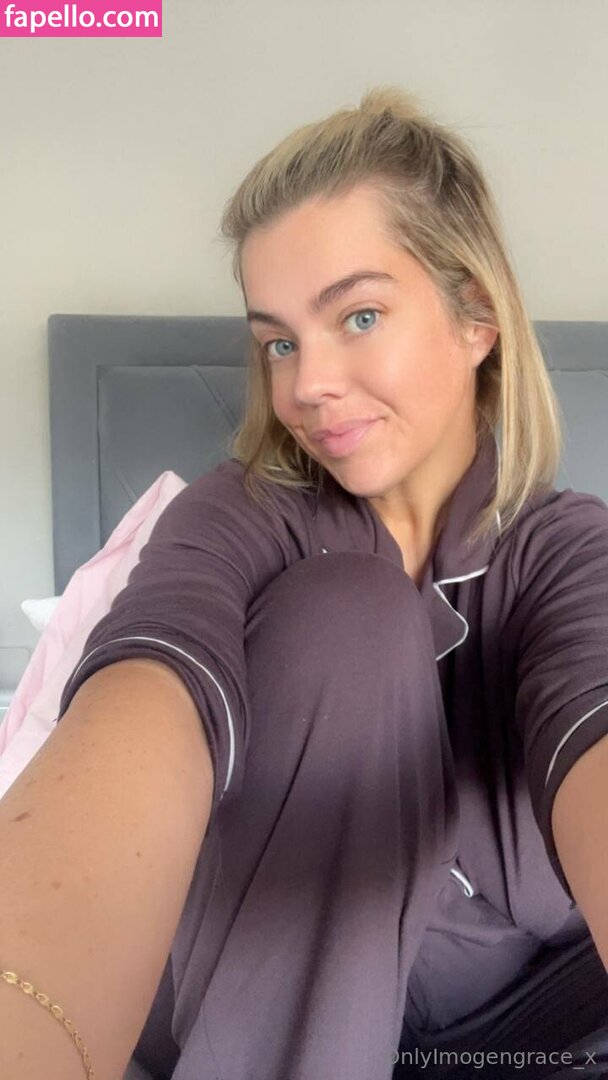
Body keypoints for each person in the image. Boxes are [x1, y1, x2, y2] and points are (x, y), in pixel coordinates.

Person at [2, 88, 608, 1080]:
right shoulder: (243, 512)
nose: (304, 385)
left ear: (476, 316)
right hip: (237, 1014)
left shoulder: (567, 551)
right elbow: (155, 670)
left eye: (358, 316)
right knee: (349, 614)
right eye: (278, 340)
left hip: (527, 1031)